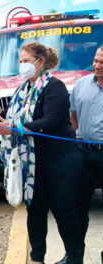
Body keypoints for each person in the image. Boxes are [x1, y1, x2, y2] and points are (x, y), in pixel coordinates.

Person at [0, 42, 83, 264]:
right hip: (32, 162)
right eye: (20, 61)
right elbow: (12, 123)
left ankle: (74, 257)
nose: (22, 66)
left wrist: (13, 127)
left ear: (40, 62)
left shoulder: (54, 87)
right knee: (36, 211)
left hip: (61, 159)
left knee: (64, 211)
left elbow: (49, 121)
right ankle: (37, 258)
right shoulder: (23, 89)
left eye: (26, 61)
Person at [69, 45, 103, 264]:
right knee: (77, 207)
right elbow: (73, 115)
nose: (97, 66)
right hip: (83, 153)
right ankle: (75, 256)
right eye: (96, 61)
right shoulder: (81, 84)